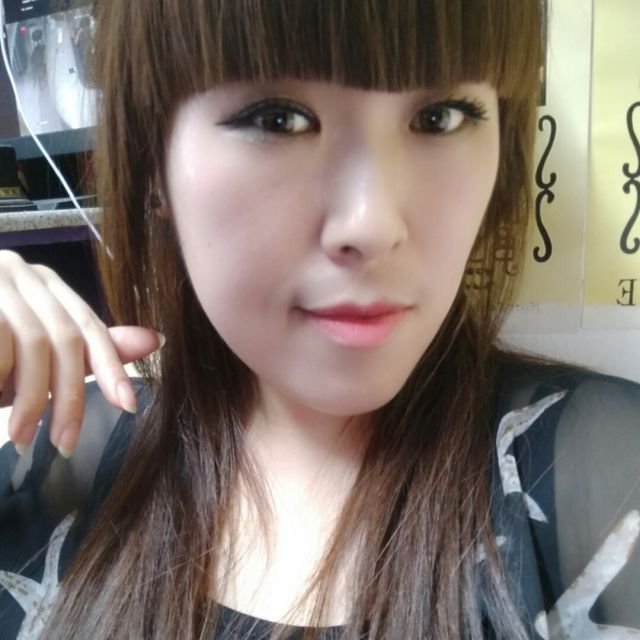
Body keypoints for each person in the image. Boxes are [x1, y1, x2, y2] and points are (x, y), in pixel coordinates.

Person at [0, 1, 639, 638]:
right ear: (153, 165)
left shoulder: (602, 480)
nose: (372, 225)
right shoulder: (54, 470)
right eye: (277, 119)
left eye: (440, 117)